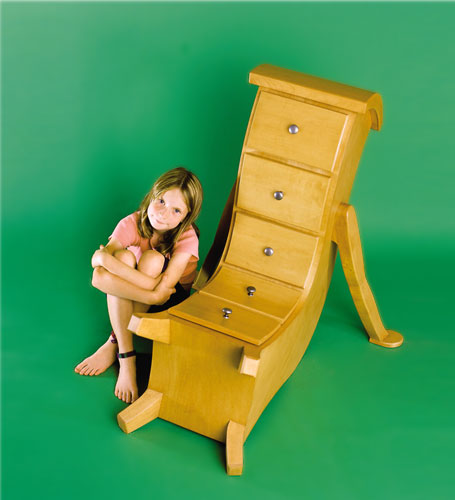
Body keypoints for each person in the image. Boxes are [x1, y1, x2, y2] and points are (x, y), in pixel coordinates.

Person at [74, 167, 203, 404]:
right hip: (145, 293)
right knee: (123, 257)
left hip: (171, 302)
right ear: (152, 195)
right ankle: (126, 356)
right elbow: (97, 279)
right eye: (161, 201)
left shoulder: (187, 236)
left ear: (186, 217)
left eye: (176, 210)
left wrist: (105, 260)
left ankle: (114, 343)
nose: (163, 214)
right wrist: (150, 291)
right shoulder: (132, 222)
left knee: (151, 259)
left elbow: (165, 291)